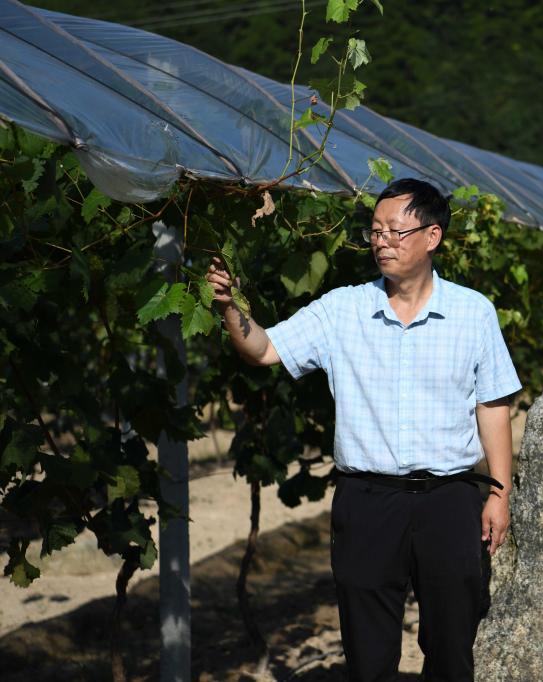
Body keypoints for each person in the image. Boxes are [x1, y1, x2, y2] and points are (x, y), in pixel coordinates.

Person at [206, 178, 521, 681]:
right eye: (375, 231)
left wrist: (499, 494)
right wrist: (229, 306)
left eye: (395, 231)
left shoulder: (473, 313)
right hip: (368, 501)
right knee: (368, 656)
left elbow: (492, 405)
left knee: (452, 647)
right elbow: (263, 350)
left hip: (450, 500)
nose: (382, 241)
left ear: (433, 236)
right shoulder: (342, 310)